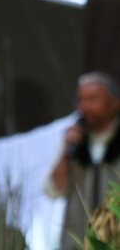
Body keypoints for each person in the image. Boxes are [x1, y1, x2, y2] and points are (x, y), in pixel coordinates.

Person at [47, 72, 120, 249]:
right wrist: (66, 151)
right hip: (78, 240)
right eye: (81, 100)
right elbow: (54, 190)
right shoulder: (74, 139)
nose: (84, 107)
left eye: (92, 99)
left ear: (114, 103)